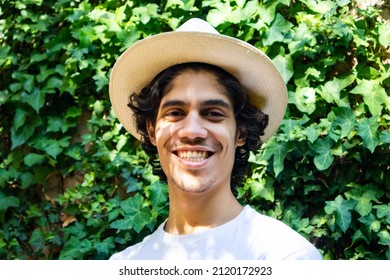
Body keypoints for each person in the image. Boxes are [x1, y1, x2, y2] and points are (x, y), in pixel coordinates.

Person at [108, 18, 322, 260]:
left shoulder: (284, 256)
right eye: (175, 113)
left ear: (240, 132)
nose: (192, 131)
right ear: (151, 130)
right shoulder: (124, 263)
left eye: (213, 114)